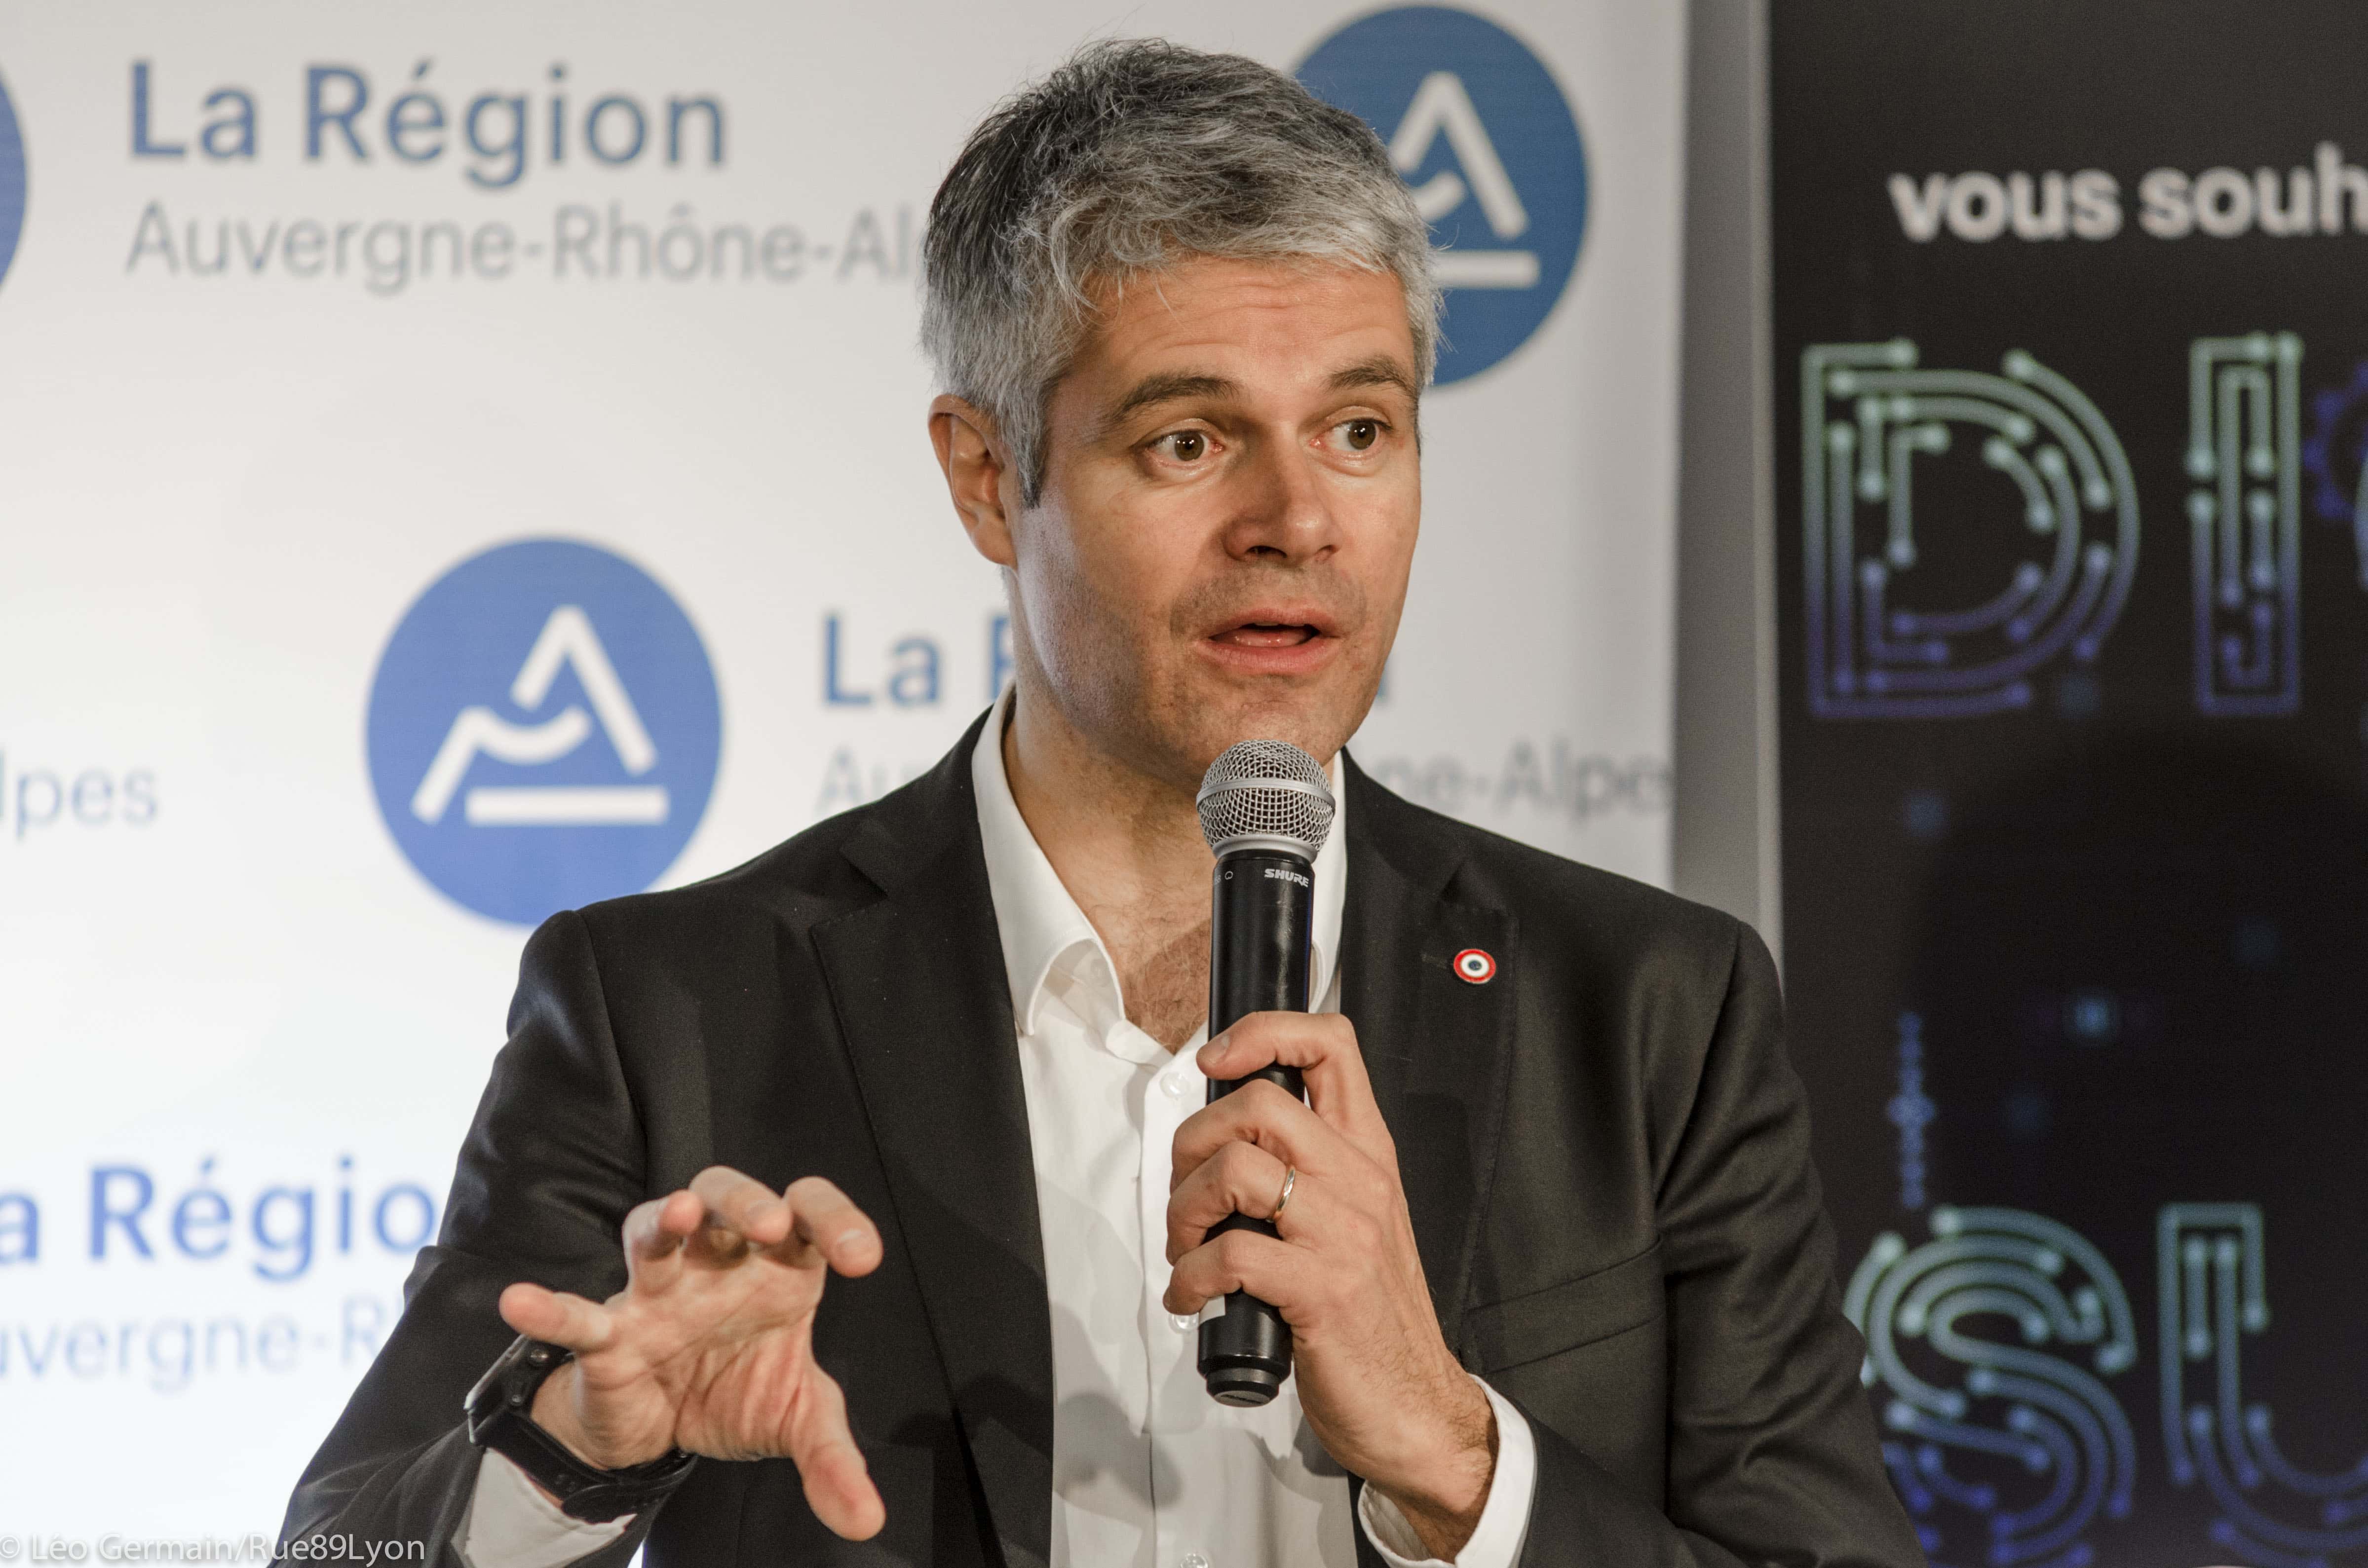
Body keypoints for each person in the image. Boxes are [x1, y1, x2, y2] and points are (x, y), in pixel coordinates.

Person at [284, 38, 1922, 1568]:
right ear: (990, 476)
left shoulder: (1647, 1013)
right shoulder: (672, 1011)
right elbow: (339, 1547)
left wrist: (1450, 1448)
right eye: (1192, 438)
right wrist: (577, 1445)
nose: (1298, 520)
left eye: (1360, 427)